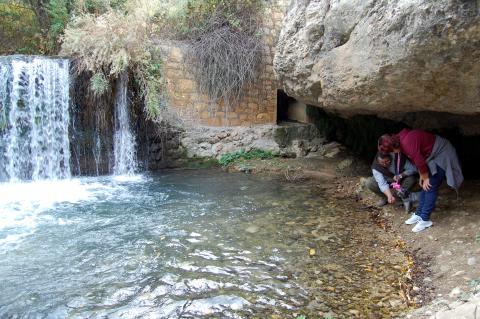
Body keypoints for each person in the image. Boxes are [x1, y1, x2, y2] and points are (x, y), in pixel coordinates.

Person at [378, 129, 463, 232]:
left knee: (431, 185)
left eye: (391, 151)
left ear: (393, 146)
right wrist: (422, 176)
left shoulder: (406, 143)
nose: (393, 153)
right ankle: (419, 214)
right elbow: (417, 159)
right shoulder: (399, 140)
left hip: (442, 151)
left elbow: (419, 161)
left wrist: (426, 177)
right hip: (431, 155)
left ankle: (425, 219)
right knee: (424, 185)